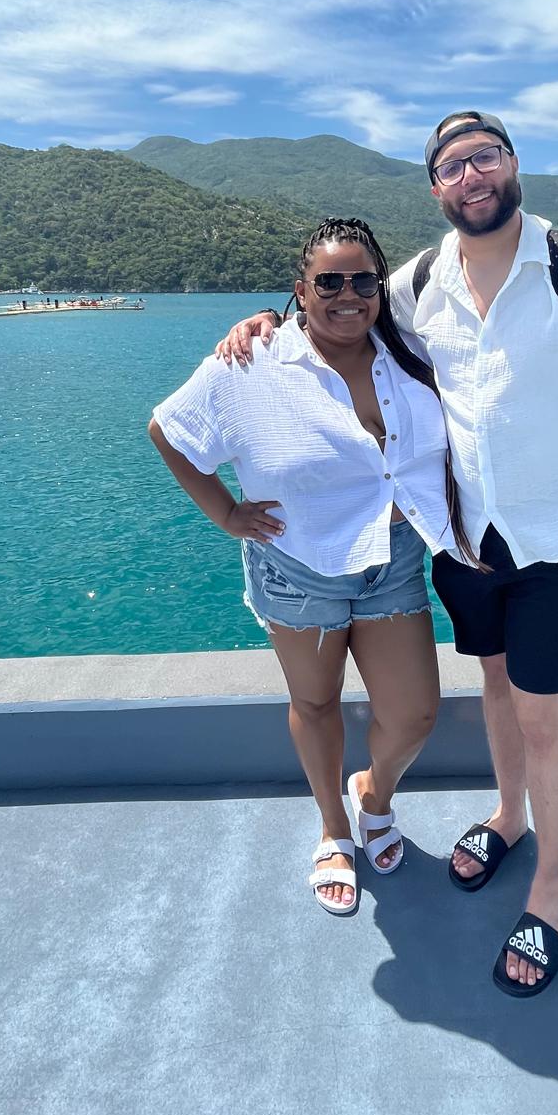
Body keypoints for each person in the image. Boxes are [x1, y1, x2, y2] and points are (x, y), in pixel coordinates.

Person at [220, 111, 558, 996]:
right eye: (451, 167)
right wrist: (259, 321)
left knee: (545, 715)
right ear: (436, 189)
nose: (471, 177)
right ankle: (509, 815)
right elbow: (338, 322)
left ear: (512, 163)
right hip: (463, 540)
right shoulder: (415, 284)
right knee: (496, 688)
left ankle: (553, 892)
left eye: (483, 158)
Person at [149, 216, 477, 917]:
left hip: (391, 561)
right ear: (303, 290)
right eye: (329, 282)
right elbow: (168, 430)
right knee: (316, 703)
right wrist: (225, 513)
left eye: (363, 280)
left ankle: (372, 795)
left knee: (416, 713)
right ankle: (334, 828)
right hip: (296, 568)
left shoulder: (408, 352)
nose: (348, 294)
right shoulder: (252, 363)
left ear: (381, 292)